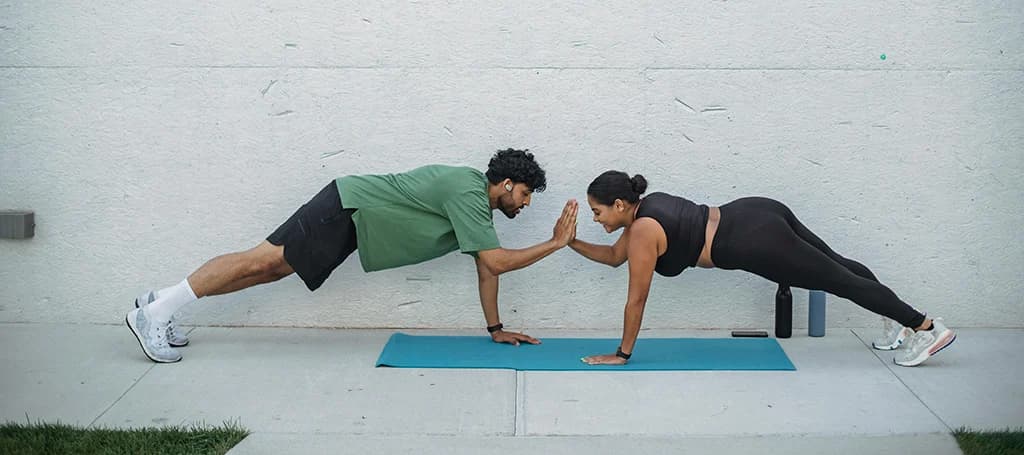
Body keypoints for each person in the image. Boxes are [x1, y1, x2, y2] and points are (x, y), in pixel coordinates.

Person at [127, 149, 579, 363]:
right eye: (523, 194)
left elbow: (486, 267)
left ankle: (160, 303)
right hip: (347, 209)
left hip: (351, 218)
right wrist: (555, 244)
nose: (525, 204)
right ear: (504, 185)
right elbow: (497, 261)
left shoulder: (475, 204)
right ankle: (157, 311)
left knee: (268, 270)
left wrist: (495, 329)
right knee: (260, 262)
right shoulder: (467, 191)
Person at [570, 170, 955, 367]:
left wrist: (621, 355)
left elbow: (636, 301)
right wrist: (568, 242)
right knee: (841, 266)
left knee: (839, 281)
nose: (595, 218)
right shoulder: (646, 209)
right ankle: (896, 318)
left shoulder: (642, 231)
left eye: (597, 211)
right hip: (756, 210)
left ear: (620, 204)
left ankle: (925, 327)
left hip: (754, 239)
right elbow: (612, 256)